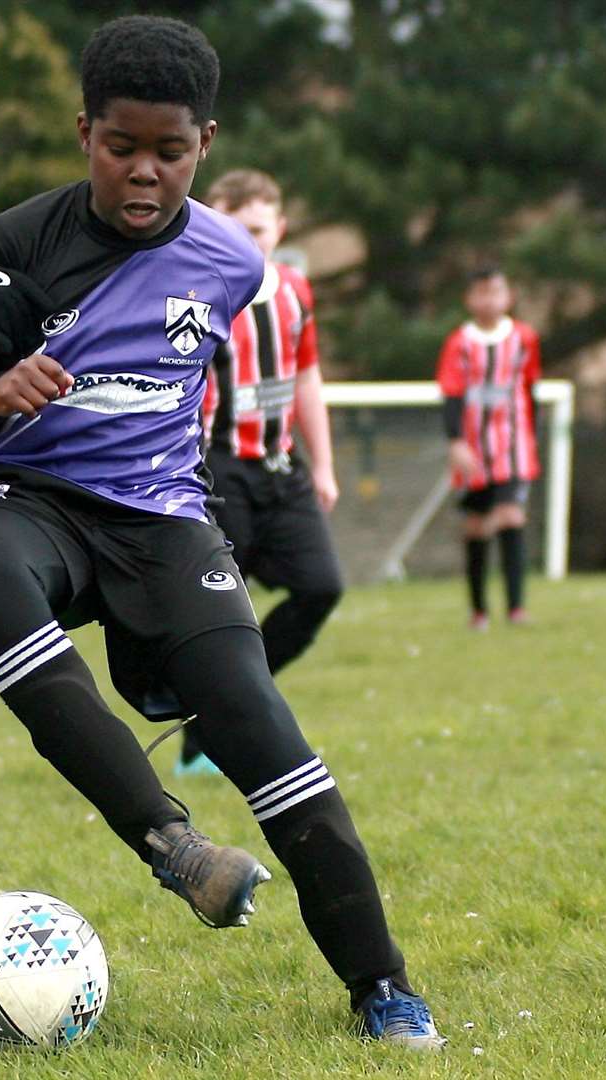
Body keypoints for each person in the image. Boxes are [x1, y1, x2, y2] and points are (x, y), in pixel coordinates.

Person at [0, 15, 445, 1049]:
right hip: (27, 500)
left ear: (206, 140)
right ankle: (170, 843)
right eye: (122, 148)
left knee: (263, 732)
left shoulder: (234, 264)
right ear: (84, 133)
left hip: (163, 520)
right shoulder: (16, 240)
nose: (144, 173)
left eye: (169, 150)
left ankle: (382, 987)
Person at [176, 168, 344, 777]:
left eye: (258, 229)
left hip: (281, 468)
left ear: (281, 228)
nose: (249, 240)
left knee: (322, 587)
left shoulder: (297, 291)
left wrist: (322, 463)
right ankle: (205, 741)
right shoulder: (198, 290)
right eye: (234, 227)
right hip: (217, 472)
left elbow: (306, 378)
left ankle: (225, 706)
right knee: (226, 614)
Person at [436, 266, 542, 630]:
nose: (490, 300)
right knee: (477, 526)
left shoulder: (524, 338)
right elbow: (451, 395)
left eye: (496, 291)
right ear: (470, 299)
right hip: (474, 449)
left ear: (508, 296)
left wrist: (533, 436)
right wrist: (456, 441)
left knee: (512, 515)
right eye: (482, 292)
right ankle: (479, 610)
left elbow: (530, 390)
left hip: (513, 446)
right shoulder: (459, 343)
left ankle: (516, 608)